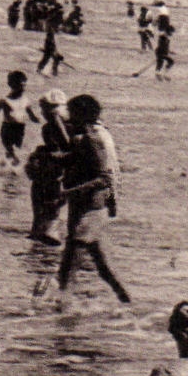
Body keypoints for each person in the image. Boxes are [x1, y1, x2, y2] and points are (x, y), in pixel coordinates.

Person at [55, 94, 130, 303]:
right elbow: (83, 162)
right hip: (87, 208)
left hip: (90, 210)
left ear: (81, 115)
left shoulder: (92, 139)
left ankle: (61, 318)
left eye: (71, 113)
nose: (68, 117)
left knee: (68, 270)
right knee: (103, 268)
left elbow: (103, 178)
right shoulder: (88, 137)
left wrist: (67, 193)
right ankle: (127, 304)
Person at [24, 89, 69, 244]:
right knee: (49, 200)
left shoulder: (55, 123)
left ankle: (43, 231)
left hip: (55, 168)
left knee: (46, 198)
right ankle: (42, 231)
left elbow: (64, 147)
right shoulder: (62, 124)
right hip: (55, 168)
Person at [0, 70, 37, 165]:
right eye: (20, 85)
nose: (23, 88)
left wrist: (38, 120)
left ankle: (5, 168)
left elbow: (32, 116)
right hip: (7, 129)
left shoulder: (25, 100)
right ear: (11, 85)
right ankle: (12, 166)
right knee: (12, 152)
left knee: (14, 152)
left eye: (24, 85)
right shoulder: (5, 100)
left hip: (20, 129)